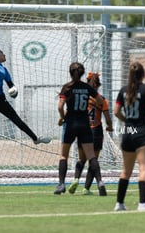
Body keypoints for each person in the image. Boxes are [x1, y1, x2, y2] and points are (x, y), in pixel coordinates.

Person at [0, 12, 51, 174]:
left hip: (0, 99)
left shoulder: (4, 69)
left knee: (17, 120)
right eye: (2, 53)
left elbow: (11, 86)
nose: (4, 55)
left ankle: (35, 139)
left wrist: (13, 90)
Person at [113, 61, 145, 212]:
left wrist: (126, 120)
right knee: (144, 169)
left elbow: (116, 111)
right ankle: (143, 204)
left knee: (125, 171)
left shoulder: (123, 90)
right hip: (142, 133)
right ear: (143, 74)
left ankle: (119, 204)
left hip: (128, 132)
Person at [54, 62, 107, 196]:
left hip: (71, 123)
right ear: (82, 73)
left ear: (70, 72)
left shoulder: (67, 87)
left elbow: (60, 107)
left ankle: (61, 185)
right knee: (91, 156)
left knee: (63, 155)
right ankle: (100, 182)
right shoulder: (86, 87)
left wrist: (62, 117)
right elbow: (101, 101)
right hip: (85, 124)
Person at [67, 72, 113, 195]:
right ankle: (87, 188)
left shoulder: (82, 98)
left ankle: (76, 179)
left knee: (82, 159)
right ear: (98, 85)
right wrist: (110, 126)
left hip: (83, 130)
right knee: (94, 160)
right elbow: (108, 118)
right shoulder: (102, 100)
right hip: (96, 131)